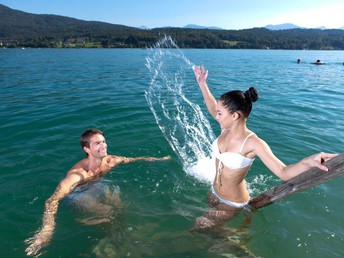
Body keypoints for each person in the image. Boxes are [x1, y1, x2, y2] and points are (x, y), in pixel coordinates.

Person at [192, 65, 337, 232]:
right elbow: (212, 106)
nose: (215, 115)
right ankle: (233, 242)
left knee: (198, 228)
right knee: (211, 232)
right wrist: (203, 84)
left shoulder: (253, 143)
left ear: (235, 116)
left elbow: (283, 171)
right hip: (214, 192)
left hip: (233, 202)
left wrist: (308, 162)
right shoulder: (226, 127)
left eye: (220, 113)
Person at [25, 128, 170, 256]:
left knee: (119, 205)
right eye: (97, 143)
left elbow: (130, 159)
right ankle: (102, 237)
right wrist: (46, 231)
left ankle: (118, 233)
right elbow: (52, 200)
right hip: (77, 194)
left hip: (98, 187)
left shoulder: (110, 161)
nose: (103, 146)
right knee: (107, 213)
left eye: (104, 141)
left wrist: (156, 159)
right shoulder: (78, 174)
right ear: (86, 149)